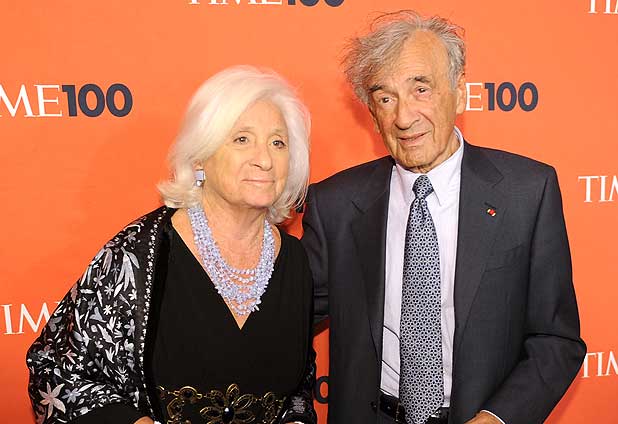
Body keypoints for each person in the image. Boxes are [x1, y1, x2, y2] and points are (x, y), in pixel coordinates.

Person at [301, 11, 586, 424]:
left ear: (460, 93)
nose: (403, 117)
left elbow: (556, 340)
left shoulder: (527, 192)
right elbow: (288, 321)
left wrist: (497, 418)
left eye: (421, 89)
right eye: (385, 98)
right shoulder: (335, 205)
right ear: (372, 113)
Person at [27, 66, 317, 424]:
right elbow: (57, 373)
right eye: (242, 139)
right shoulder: (135, 254)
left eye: (278, 143)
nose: (265, 159)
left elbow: (299, 389)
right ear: (200, 156)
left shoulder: (294, 260)